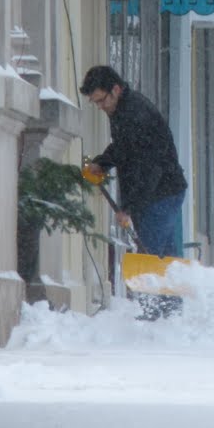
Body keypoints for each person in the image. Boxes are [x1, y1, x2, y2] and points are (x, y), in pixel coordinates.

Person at [80, 66, 188, 316]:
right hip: (164, 190)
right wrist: (102, 163)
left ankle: (155, 313)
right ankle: (172, 316)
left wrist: (129, 208)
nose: (100, 107)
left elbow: (148, 168)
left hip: (159, 193)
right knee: (166, 259)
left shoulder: (135, 114)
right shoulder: (124, 109)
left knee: (149, 255)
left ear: (115, 90)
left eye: (101, 100)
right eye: (95, 102)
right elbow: (123, 147)